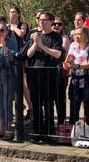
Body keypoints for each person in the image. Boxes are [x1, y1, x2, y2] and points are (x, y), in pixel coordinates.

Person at [27, 11, 63, 141]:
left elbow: (58, 54)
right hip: (35, 74)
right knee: (35, 105)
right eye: (40, 20)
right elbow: (29, 54)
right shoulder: (35, 35)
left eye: (44, 20)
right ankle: (36, 132)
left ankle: (48, 132)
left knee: (48, 104)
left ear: (51, 22)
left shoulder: (56, 37)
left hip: (49, 75)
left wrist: (42, 45)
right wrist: (36, 43)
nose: (41, 22)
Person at [64, 27, 89, 127]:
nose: (76, 36)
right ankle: (73, 131)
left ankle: (88, 133)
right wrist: (66, 64)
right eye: (75, 34)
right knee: (74, 107)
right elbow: (68, 60)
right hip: (75, 80)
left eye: (79, 34)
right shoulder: (73, 45)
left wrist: (79, 66)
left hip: (88, 80)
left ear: (86, 35)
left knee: (88, 108)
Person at [52, 17, 71, 133]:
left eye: (59, 24)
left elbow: (66, 56)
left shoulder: (64, 38)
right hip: (50, 72)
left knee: (60, 99)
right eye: (54, 23)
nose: (57, 25)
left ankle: (61, 122)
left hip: (61, 72)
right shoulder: (50, 37)